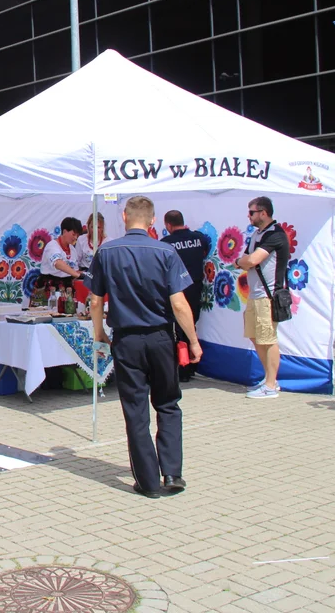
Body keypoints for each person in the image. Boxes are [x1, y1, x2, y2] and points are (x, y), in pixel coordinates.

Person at [88, 196, 201, 499]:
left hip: (126, 339)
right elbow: (179, 303)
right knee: (167, 403)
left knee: (136, 410)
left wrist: (99, 333)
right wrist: (192, 340)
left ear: (124, 216)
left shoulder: (106, 252)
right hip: (161, 337)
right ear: (153, 221)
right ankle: (173, 472)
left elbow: (96, 300)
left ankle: (148, 482)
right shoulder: (166, 251)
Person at [235, 196, 290, 399]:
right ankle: (268, 377)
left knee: (268, 338)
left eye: (252, 212)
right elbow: (245, 258)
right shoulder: (257, 234)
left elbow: (252, 259)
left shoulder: (275, 234)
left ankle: (271, 384)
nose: (248, 216)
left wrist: (243, 261)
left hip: (268, 295)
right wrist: (243, 261)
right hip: (255, 294)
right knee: (255, 335)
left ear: (263, 213)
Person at [161, 210, 211, 382]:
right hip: (195, 288)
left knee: (177, 330)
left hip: (177, 290)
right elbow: (205, 248)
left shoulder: (166, 243)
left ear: (168, 225)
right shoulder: (199, 238)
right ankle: (191, 366)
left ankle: (182, 369)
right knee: (191, 327)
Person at [38, 217, 84, 293]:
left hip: (67, 287)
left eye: (77, 235)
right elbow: (58, 263)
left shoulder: (73, 250)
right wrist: (76, 274)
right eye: (73, 234)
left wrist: (88, 275)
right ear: (65, 231)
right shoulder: (52, 246)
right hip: (50, 286)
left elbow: (75, 270)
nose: (75, 238)